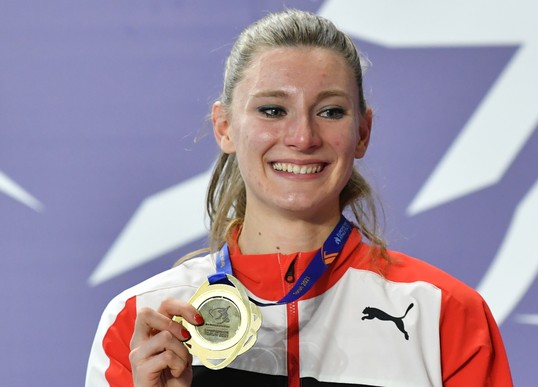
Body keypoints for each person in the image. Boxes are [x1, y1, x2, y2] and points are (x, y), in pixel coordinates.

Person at [86, 9, 513, 387]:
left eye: (330, 111)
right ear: (225, 128)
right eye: (272, 110)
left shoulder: (444, 315)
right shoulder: (140, 321)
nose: (303, 137)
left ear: (362, 132)